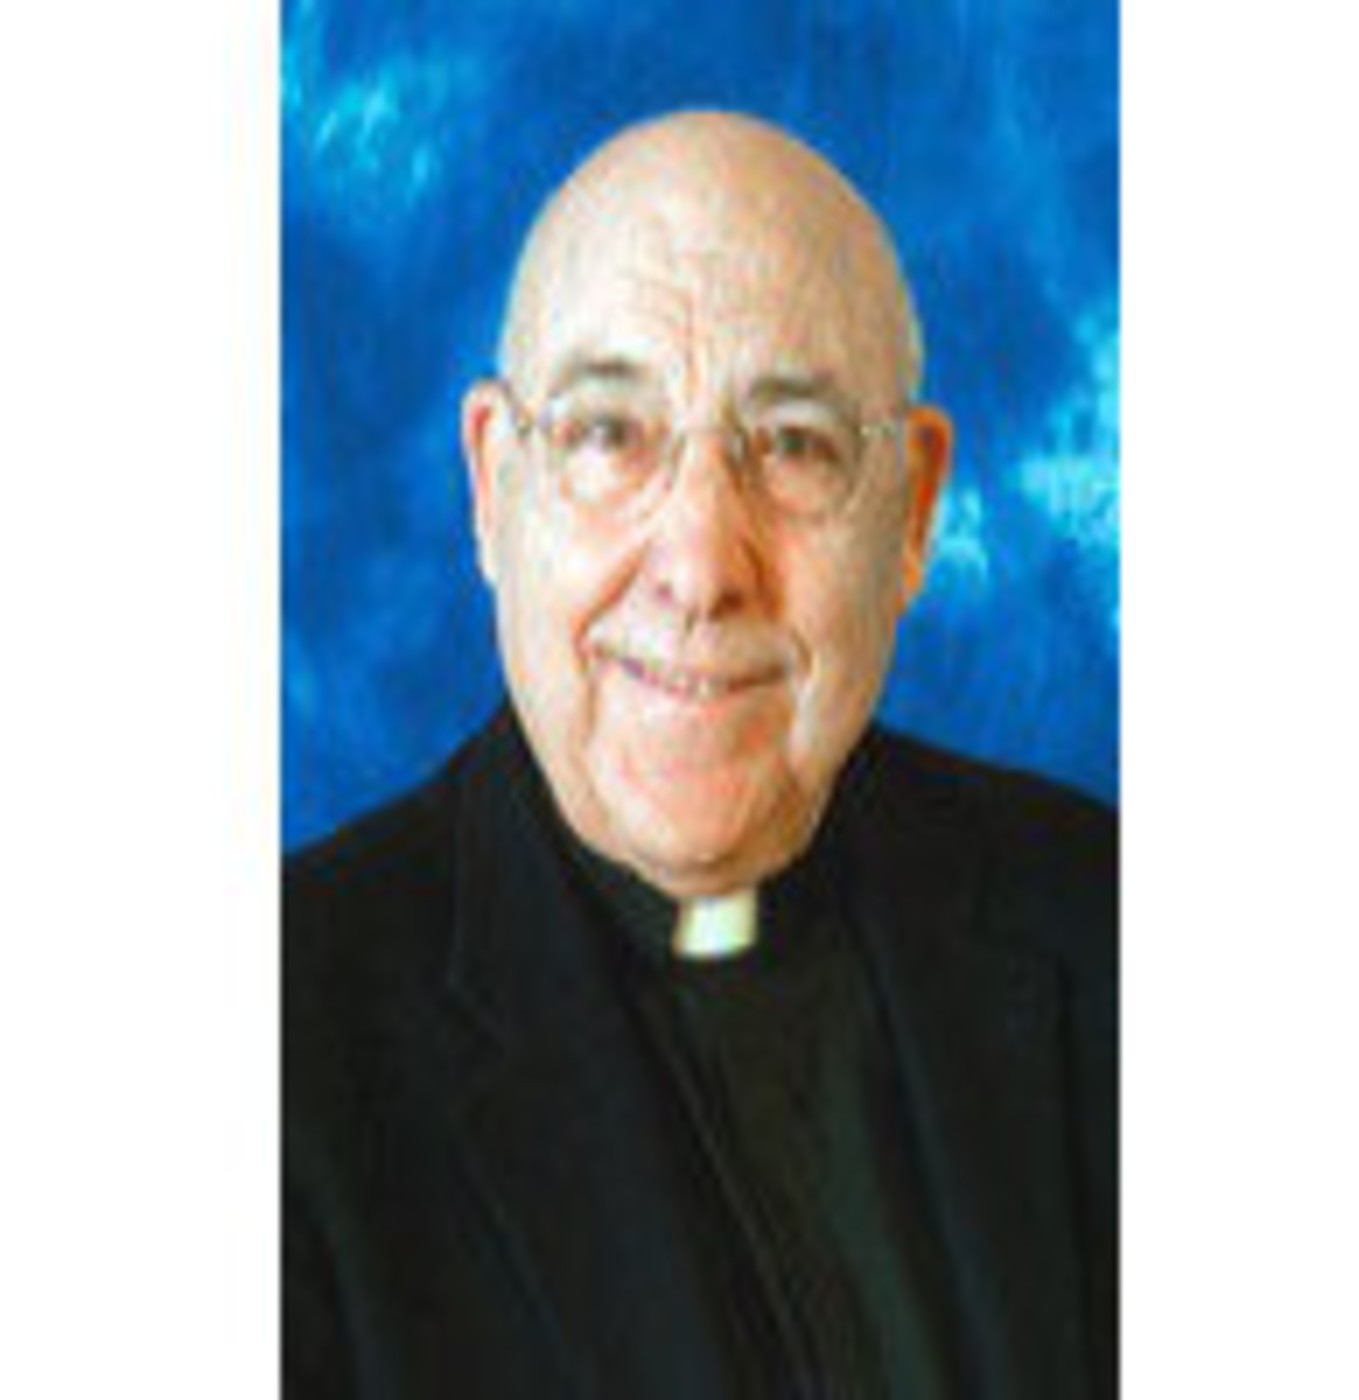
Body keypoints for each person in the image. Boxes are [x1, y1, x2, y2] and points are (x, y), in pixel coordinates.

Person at [284, 110, 1117, 1398]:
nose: (699, 566)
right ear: (494, 487)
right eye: (609, 435)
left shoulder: (1110, 920)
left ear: (913, 513)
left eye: (792, 444)